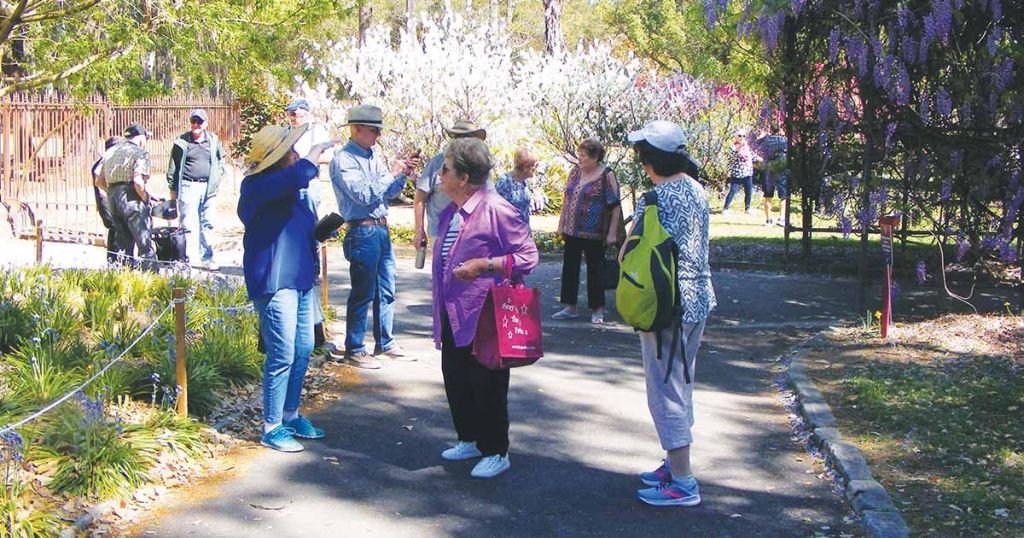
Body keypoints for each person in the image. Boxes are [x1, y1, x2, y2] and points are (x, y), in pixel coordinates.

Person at [432, 138, 538, 479]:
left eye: (445, 169)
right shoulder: (452, 210)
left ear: (463, 177)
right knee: (457, 377)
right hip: (454, 310)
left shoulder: (496, 208)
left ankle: (496, 450)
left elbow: (528, 256)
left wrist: (485, 265)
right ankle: (470, 438)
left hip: (485, 313)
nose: (439, 174)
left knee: (487, 383)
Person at [624, 120, 716, 507]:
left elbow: (633, 249)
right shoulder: (696, 189)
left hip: (667, 306)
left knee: (666, 391)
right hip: (697, 298)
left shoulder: (659, 198)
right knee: (681, 382)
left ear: (650, 160)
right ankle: (672, 464)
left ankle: (683, 481)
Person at [238, 123, 335, 452]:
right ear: (277, 157)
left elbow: (299, 225)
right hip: (274, 280)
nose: (295, 154)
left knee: (305, 347)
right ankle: (271, 425)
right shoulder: (256, 186)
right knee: (282, 353)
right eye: (290, 150)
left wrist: (319, 232)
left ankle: (291, 415)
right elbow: (291, 179)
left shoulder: (289, 190)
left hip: (300, 278)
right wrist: (311, 158)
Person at [330, 104, 419, 369]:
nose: (378, 136)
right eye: (373, 131)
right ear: (356, 129)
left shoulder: (372, 157)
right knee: (363, 292)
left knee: (386, 289)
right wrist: (392, 174)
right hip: (362, 230)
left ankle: (386, 342)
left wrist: (402, 175)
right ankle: (355, 348)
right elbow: (364, 195)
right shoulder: (344, 160)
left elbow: (388, 193)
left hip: (380, 228)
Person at [285, 97, 343, 359]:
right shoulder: (287, 133)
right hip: (291, 185)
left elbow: (328, 156)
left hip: (310, 183)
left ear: (306, 114)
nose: (293, 118)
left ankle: (313, 265)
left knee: (311, 229)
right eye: (290, 114)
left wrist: (308, 160)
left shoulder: (316, 132)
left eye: (296, 114)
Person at [553, 138, 622, 325]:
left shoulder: (606, 175)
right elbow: (567, 199)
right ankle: (570, 307)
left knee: (595, 271)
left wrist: (612, 233)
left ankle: (598, 309)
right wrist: (561, 224)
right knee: (569, 268)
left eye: (583, 155)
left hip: (595, 232)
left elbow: (615, 205)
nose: (580, 158)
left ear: (595, 157)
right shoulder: (575, 172)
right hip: (572, 230)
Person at [413, 120, 488, 251]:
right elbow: (420, 197)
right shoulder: (437, 162)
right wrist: (419, 231)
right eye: (462, 137)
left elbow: (488, 197)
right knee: (442, 270)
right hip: (440, 233)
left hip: (470, 233)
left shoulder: (479, 165)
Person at [167, 108, 226, 269]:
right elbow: (173, 165)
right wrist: (172, 188)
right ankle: (185, 258)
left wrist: (218, 176)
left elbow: (222, 159)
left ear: (205, 124)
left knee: (208, 223)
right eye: (193, 121)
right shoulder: (182, 141)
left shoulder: (213, 140)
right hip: (188, 185)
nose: (196, 125)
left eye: (199, 122)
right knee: (187, 223)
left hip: (209, 187)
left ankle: (207, 258)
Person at [96, 123, 158, 271]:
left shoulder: (111, 152)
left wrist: (113, 191)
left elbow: (98, 180)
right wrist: (144, 198)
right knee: (144, 241)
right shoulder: (140, 153)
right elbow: (138, 182)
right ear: (141, 138)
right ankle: (151, 275)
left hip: (113, 199)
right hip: (131, 199)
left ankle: (124, 276)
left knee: (123, 243)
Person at [92, 136, 125, 263]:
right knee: (114, 227)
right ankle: (113, 260)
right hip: (104, 199)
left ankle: (115, 259)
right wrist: (110, 192)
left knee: (115, 228)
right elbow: (98, 179)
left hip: (107, 198)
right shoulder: (105, 160)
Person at [494, 147, 538, 226]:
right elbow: (497, 214)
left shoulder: (523, 182)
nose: (536, 168)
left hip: (522, 234)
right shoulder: (505, 183)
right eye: (535, 165)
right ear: (526, 167)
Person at [757, 125, 789, 226]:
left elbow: (757, 143)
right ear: (779, 130)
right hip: (780, 169)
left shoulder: (766, 140)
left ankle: (768, 220)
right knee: (783, 196)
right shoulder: (783, 140)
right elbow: (789, 147)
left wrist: (762, 135)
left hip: (768, 170)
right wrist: (784, 135)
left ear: (770, 130)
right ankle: (781, 218)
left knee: (767, 196)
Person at [722, 129, 760, 214]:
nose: (742, 137)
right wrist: (740, 146)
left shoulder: (746, 147)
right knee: (733, 191)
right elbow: (734, 153)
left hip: (747, 173)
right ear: (735, 137)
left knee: (749, 191)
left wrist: (763, 159)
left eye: (743, 136)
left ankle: (747, 208)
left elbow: (753, 156)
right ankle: (725, 209)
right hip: (737, 174)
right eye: (740, 136)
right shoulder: (733, 146)